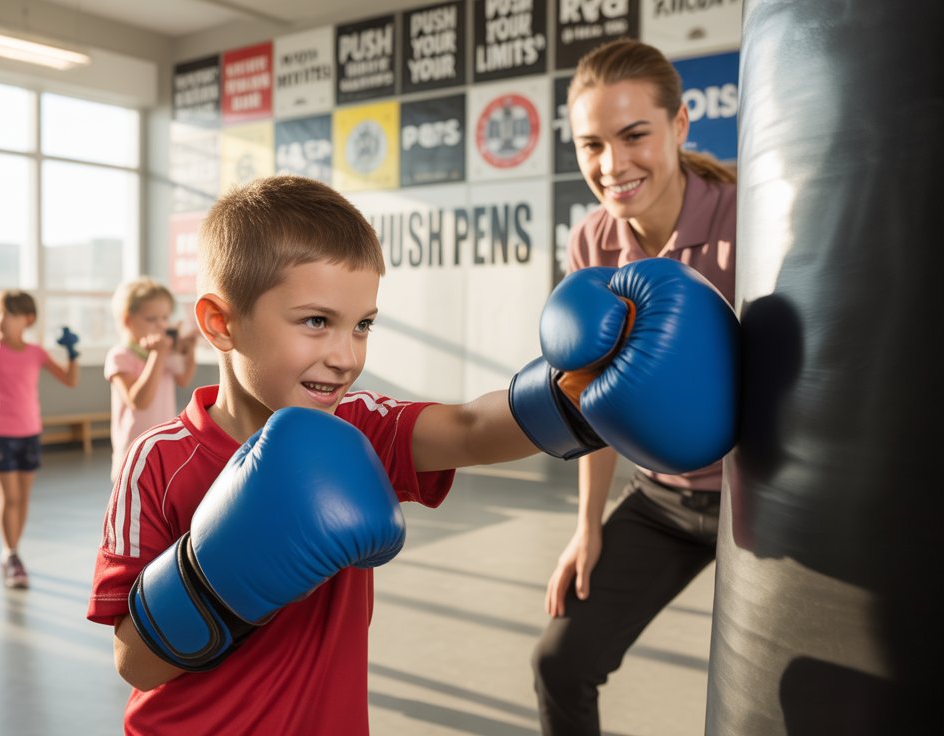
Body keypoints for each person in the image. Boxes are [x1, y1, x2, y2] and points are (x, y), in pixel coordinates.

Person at [84, 174, 734, 735]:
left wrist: (591, 387)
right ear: (221, 322)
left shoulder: (357, 426)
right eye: (316, 321)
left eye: (362, 324)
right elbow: (133, 660)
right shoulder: (158, 460)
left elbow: (474, 427)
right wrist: (216, 580)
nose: (346, 355)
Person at [531, 38, 738, 736]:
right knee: (561, 658)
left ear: (679, 126)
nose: (612, 166)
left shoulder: (748, 217)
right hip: (664, 499)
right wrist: (586, 526)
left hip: (763, 498)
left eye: (634, 135)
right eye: (591, 144)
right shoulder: (592, 241)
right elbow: (597, 400)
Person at [0, 290, 80, 588]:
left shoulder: (36, 352)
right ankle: (11, 553)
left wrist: (72, 353)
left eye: (6, 314)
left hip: (30, 431)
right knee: (9, 498)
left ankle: (13, 552)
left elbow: (70, 380)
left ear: (27, 319)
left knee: (23, 498)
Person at [104, 276, 197, 482]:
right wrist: (158, 355)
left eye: (165, 318)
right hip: (133, 452)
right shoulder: (121, 355)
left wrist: (189, 351)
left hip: (163, 446)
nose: (160, 325)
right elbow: (139, 401)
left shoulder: (163, 352)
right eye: (151, 319)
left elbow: (184, 379)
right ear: (128, 320)